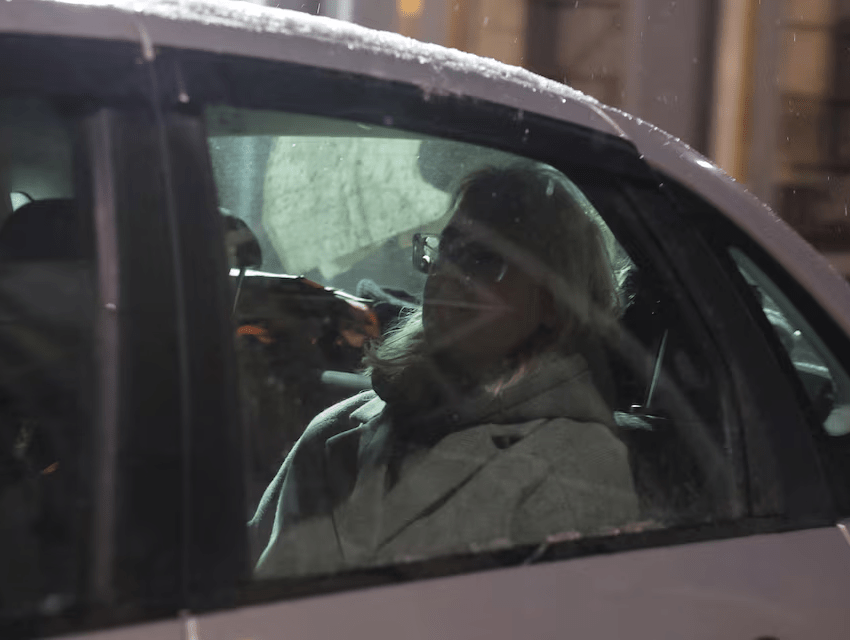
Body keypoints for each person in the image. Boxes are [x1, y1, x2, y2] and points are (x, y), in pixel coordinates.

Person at [249, 163, 638, 577]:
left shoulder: (576, 469)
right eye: (446, 250)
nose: (447, 273)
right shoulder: (338, 426)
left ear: (554, 300)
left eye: (483, 259)